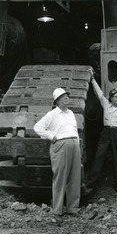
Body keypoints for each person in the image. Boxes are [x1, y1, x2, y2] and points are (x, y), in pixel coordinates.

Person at [33, 88, 81, 223]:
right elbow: (38, 127)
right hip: (60, 145)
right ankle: (58, 210)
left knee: (74, 177)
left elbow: (74, 129)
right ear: (57, 101)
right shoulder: (52, 114)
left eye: (67, 96)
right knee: (60, 177)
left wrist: (77, 143)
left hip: (73, 144)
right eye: (63, 97)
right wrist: (51, 136)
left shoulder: (71, 113)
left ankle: (72, 208)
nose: (67, 98)